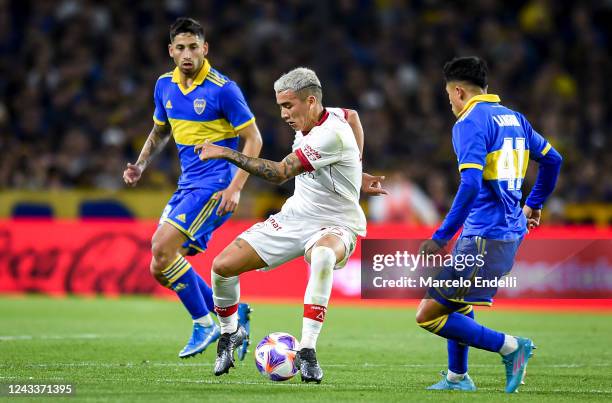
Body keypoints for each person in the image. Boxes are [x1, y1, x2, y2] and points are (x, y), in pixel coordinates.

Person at [195, 67, 377, 382]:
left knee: (321, 256)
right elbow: (354, 116)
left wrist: (225, 152)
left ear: (310, 101)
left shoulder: (329, 134)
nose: (283, 114)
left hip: (337, 223)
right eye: (280, 106)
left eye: (288, 106)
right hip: (295, 217)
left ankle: (307, 350)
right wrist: (358, 170)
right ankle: (230, 333)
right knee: (222, 267)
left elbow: (280, 173)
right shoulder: (330, 115)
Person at [416, 57, 562, 393]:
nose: (450, 102)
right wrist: (534, 203)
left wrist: (441, 237)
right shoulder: (515, 118)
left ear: (458, 91)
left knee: (428, 315)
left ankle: (511, 347)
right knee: (458, 303)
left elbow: (469, 183)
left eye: (449, 96)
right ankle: (457, 377)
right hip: (507, 233)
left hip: (484, 235)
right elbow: (553, 160)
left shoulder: (469, 121)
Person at [122, 17, 262, 360]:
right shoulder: (164, 86)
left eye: (194, 47)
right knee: (159, 265)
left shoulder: (222, 89)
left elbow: (253, 139)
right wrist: (140, 165)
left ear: (205, 49)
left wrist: (236, 188)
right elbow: (159, 131)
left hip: (216, 185)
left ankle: (205, 323)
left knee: (161, 247)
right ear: (171, 51)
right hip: (188, 184)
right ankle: (232, 311)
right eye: (181, 48)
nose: (188, 54)